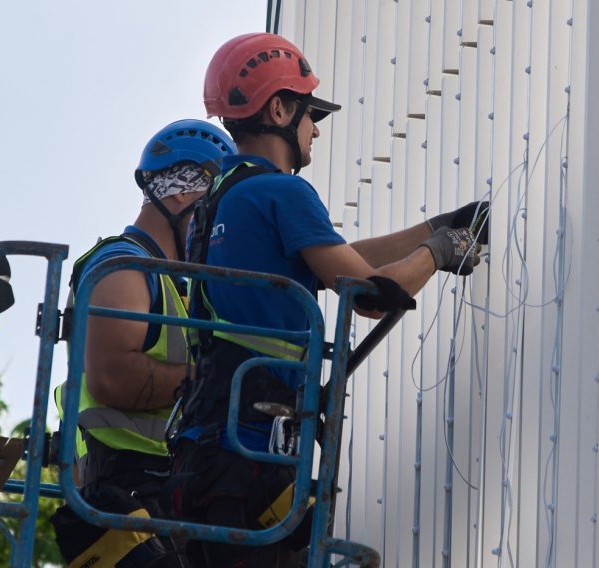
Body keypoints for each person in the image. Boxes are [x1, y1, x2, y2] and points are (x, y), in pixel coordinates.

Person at [166, 33, 488, 567]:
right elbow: (369, 292)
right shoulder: (283, 191)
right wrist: (440, 252)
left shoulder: (223, 197)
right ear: (280, 108)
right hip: (254, 453)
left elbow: (333, 256)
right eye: (311, 112)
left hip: (209, 452)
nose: (315, 129)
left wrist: (432, 227)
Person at [50, 119, 237, 568]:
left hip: (165, 492)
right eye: (214, 208)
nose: (217, 228)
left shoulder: (184, 287)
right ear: (179, 195)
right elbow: (114, 378)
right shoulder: (122, 267)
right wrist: (215, 381)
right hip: (124, 494)